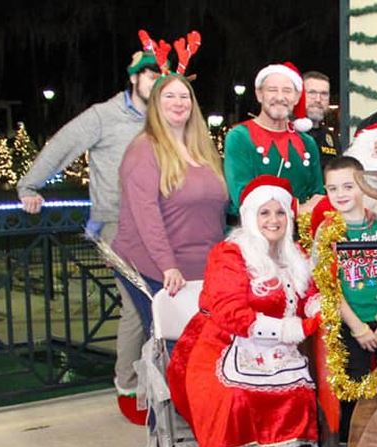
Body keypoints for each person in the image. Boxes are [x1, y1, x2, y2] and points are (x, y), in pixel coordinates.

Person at [17, 48, 161, 425]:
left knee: (164, 304)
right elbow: (62, 145)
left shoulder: (167, 116)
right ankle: (128, 385)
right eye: (149, 75)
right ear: (134, 78)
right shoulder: (105, 115)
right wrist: (30, 185)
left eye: (161, 76)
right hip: (118, 223)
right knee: (137, 306)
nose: (155, 82)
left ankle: (161, 383)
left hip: (163, 225)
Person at [167, 176, 322, 447]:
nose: (273, 220)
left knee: (298, 395)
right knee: (232, 397)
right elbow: (229, 313)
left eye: (280, 213)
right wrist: (291, 329)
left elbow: (310, 294)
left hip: (278, 348)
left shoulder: (294, 253)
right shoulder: (229, 254)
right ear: (250, 216)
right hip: (219, 343)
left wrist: (316, 309)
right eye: (264, 213)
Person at [112, 73, 227, 335]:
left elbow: (216, 213)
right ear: (155, 103)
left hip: (202, 270)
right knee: (173, 348)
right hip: (159, 271)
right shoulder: (143, 150)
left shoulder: (203, 150)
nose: (178, 102)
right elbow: (146, 215)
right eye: (170, 96)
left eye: (184, 96)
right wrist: (167, 265)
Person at [315, 156, 377, 440]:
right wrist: (357, 327)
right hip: (350, 321)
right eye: (333, 189)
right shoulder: (327, 232)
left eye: (348, 186)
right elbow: (328, 286)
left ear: (364, 185)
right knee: (352, 390)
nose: (341, 194)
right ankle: (351, 446)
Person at [223, 62, 324, 217]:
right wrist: (298, 209)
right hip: (253, 236)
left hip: (299, 237)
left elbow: (317, 197)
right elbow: (242, 195)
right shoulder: (239, 137)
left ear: (297, 97)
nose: (279, 97)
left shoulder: (307, 143)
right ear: (259, 94)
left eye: (287, 91)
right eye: (272, 90)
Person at [302, 70, 338, 170]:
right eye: (312, 93)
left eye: (324, 94)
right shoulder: (287, 131)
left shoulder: (331, 137)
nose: (318, 99)